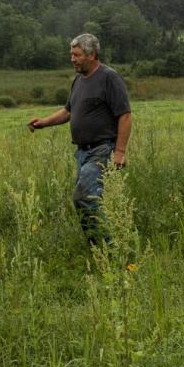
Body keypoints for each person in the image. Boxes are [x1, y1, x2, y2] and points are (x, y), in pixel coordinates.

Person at [28, 34, 132, 245]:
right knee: (89, 201)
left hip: (102, 150)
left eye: (77, 55)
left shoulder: (109, 77)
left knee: (84, 198)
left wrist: (120, 152)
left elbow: (125, 115)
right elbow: (68, 111)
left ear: (91, 54)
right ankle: (100, 249)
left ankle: (108, 249)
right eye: (71, 55)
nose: (72, 59)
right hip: (82, 153)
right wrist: (44, 122)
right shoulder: (78, 81)